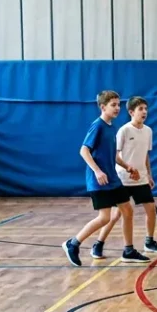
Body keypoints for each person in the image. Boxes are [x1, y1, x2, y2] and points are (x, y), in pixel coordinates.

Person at [62, 90, 150, 266]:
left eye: (118, 105)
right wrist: (97, 171)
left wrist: (128, 167)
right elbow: (84, 150)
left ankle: (128, 250)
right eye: (113, 105)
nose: (117, 108)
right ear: (103, 107)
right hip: (100, 181)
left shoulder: (112, 127)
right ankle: (73, 243)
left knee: (127, 210)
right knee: (104, 218)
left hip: (113, 179)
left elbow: (114, 156)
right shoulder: (98, 126)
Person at [89, 96, 157, 259]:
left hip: (141, 178)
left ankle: (149, 242)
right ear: (131, 112)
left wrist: (149, 174)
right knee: (116, 215)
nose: (144, 112)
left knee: (151, 209)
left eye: (146, 109)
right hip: (123, 178)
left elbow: (146, 155)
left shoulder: (148, 131)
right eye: (140, 109)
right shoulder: (124, 130)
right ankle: (98, 244)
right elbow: (115, 155)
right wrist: (127, 168)